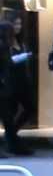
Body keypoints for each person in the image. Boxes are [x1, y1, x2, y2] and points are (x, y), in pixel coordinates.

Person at [0, 21, 33, 158]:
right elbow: (7, 63)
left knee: (8, 118)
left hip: (6, 86)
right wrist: (21, 57)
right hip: (4, 86)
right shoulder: (2, 46)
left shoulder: (6, 45)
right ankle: (14, 144)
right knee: (7, 118)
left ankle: (14, 144)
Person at [8, 14, 35, 136]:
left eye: (19, 24)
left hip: (23, 82)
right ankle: (11, 137)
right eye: (15, 24)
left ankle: (12, 133)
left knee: (30, 108)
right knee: (11, 111)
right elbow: (7, 62)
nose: (18, 27)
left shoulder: (21, 42)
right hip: (10, 83)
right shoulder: (4, 43)